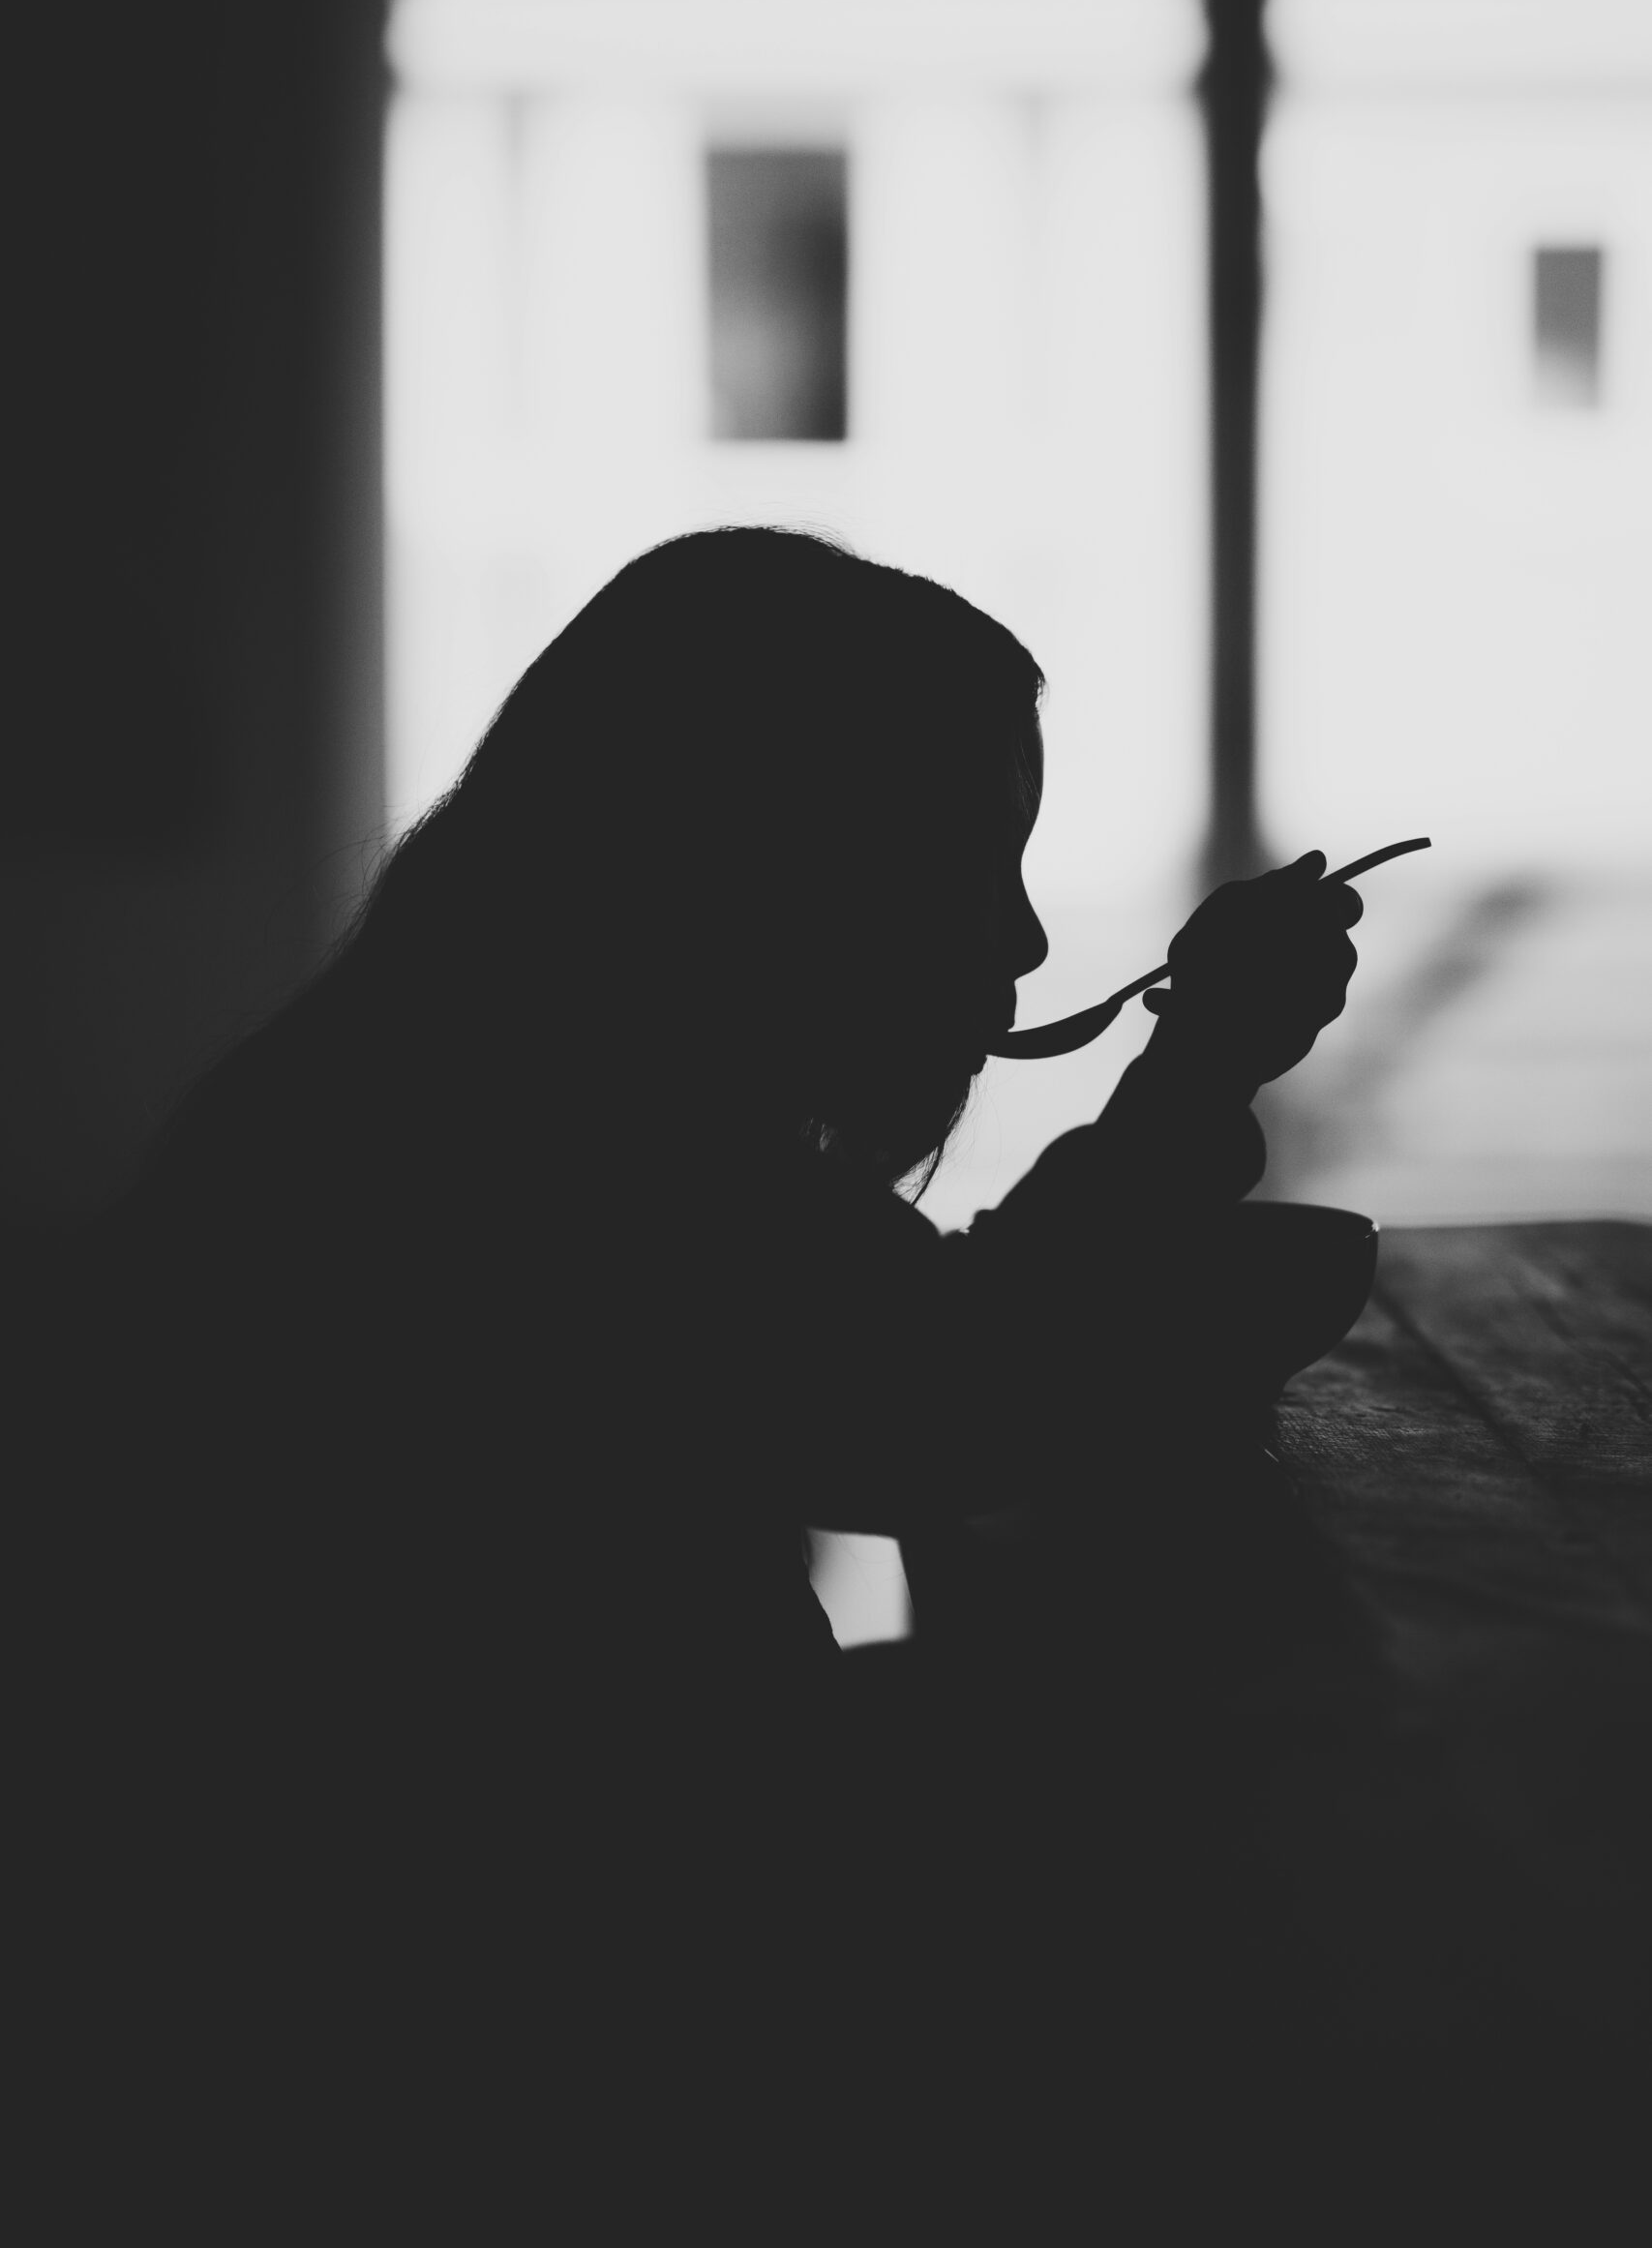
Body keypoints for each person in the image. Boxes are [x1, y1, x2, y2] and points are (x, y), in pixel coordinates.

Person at [31, 526, 1361, 2207]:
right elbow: (947, 1405)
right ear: (791, 867)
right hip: (498, 2061)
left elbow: (901, 1359)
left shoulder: (429, 1079)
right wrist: (1198, 1069)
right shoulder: (581, 1157)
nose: (1025, 944)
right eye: (973, 861)